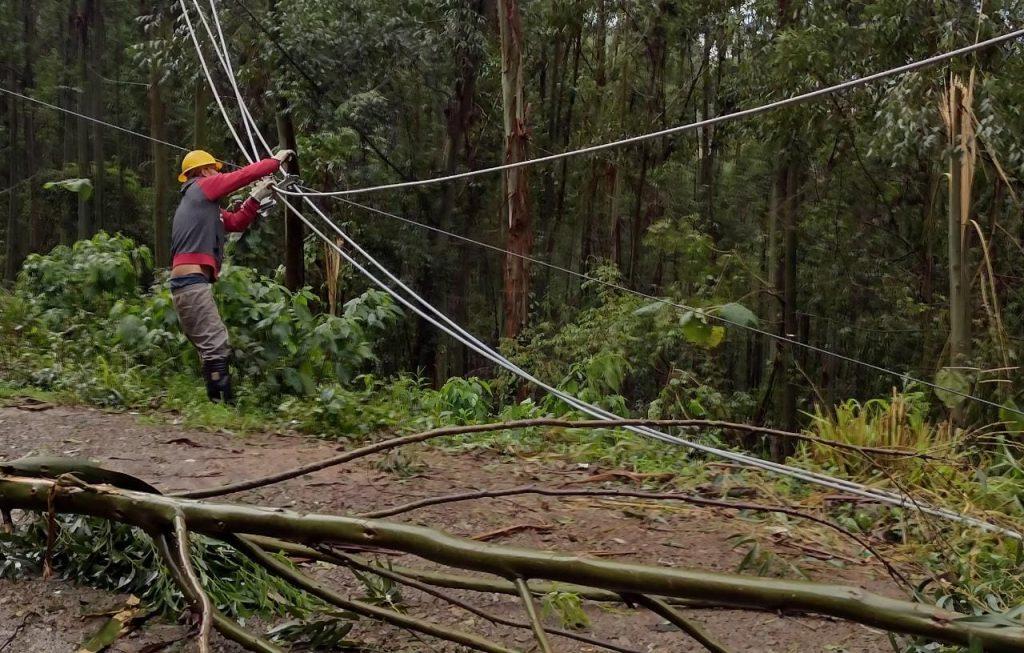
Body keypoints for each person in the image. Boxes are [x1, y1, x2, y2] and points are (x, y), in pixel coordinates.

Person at [169, 148, 294, 403]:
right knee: (216, 344)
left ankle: (219, 405)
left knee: (211, 345)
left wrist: (256, 199)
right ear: (203, 171)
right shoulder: (200, 188)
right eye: (214, 168)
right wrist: (274, 161)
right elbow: (240, 177)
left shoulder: (201, 205)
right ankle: (222, 406)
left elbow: (235, 222)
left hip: (188, 284)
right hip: (191, 283)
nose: (219, 172)